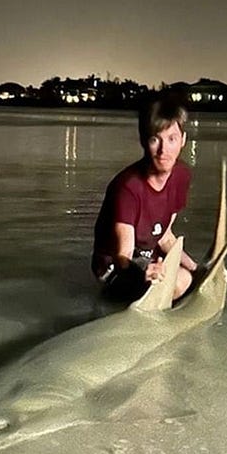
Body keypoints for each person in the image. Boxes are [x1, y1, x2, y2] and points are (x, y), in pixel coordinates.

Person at [91, 93, 197, 304]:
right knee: (181, 281)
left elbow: (165, 236)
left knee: (190, 277)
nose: (163, 150)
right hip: (116, 265)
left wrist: (198, 267)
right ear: (143, 141)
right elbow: (124, 254)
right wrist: (144, 274)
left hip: (148, 255)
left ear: (183, 140)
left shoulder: (181, 176)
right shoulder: (127, 188)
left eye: (172, 139)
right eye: (154, 139)